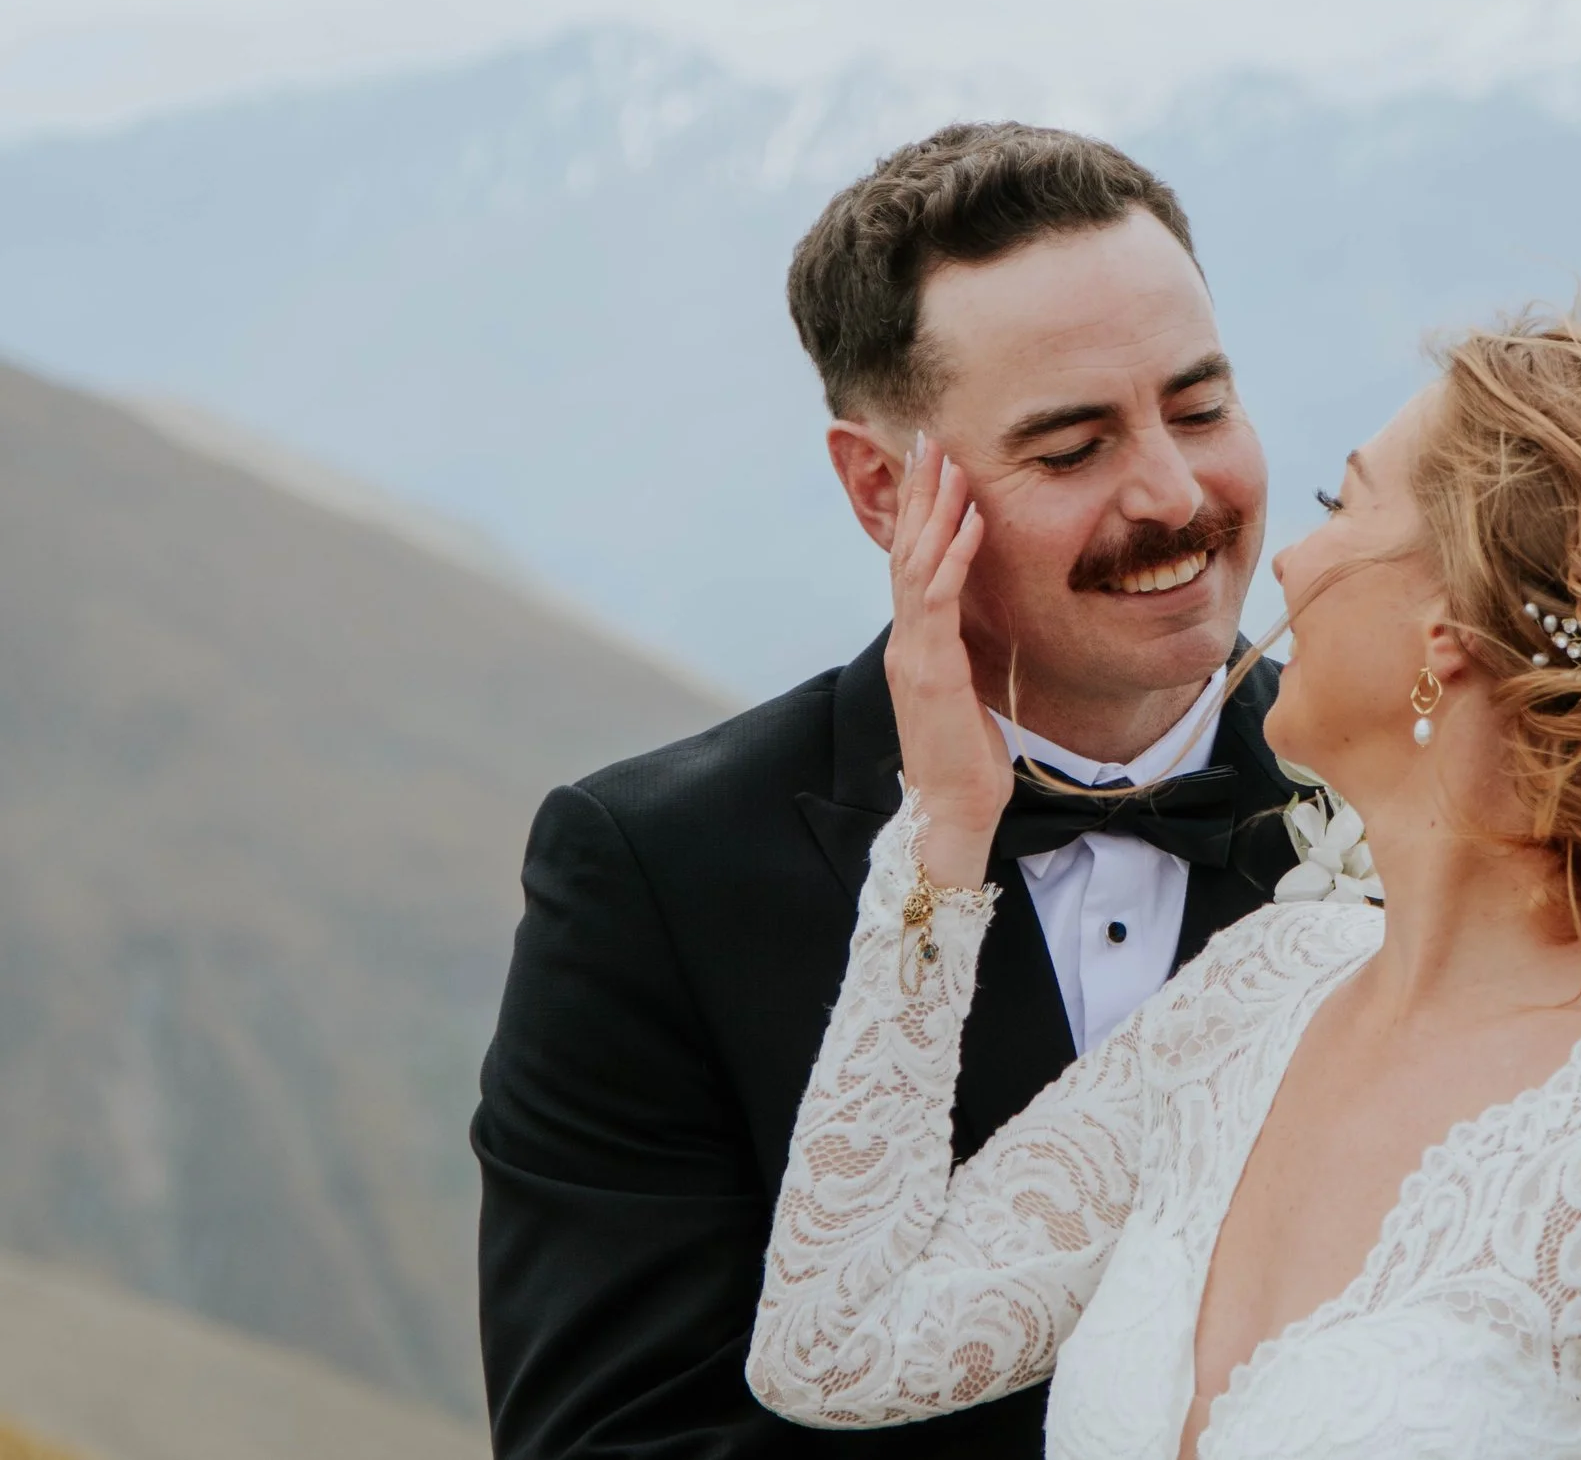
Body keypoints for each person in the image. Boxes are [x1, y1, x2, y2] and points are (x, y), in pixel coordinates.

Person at [744, 309, 1581, 1460]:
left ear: (1449, 629)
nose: (1288, 554)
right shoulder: (1256, 990)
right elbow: (836, 1349)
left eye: (1345, 506)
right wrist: (945, 826)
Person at [473, 123, 1309, 1459]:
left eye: (1200, 406)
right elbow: (611, 1435)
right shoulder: (651, 871)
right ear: (881, 486)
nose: (1174, 491)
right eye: (1071, 445)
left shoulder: (1415, 825)